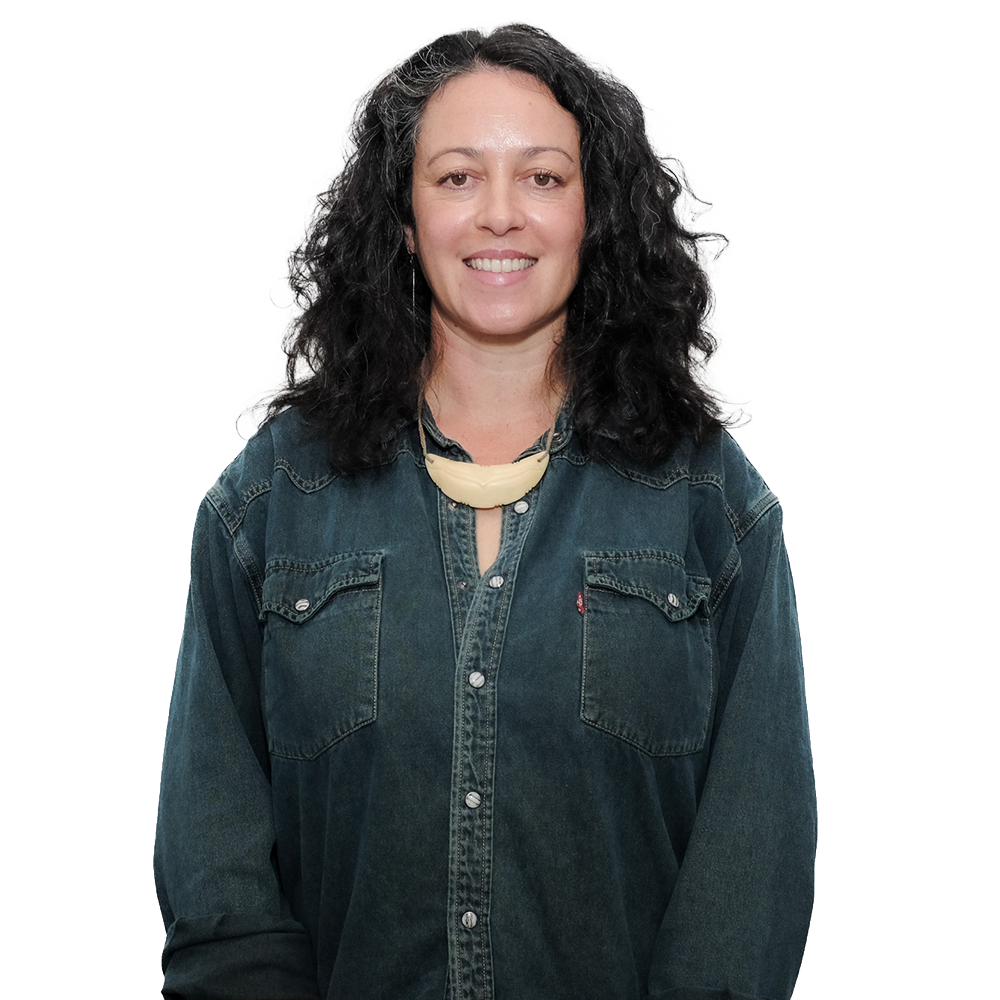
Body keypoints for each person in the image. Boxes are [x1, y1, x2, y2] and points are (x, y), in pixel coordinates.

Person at [155, 18, 815, 1000]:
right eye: (457, 176)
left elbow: (748, 877)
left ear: (594, 213)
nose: (500, 214)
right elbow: (219, 877)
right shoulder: (269, 500)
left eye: (543, 177)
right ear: (403, 216)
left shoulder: (713, 504)